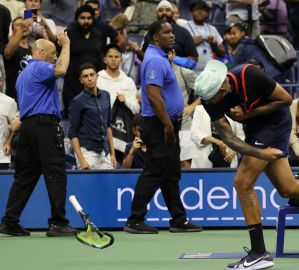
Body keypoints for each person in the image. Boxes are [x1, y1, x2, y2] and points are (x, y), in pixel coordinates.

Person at [194, 59, 299, 270]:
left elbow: (286, 99)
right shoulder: (207, 98)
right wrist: (260, 152)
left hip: (275, 122)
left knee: (242, 183)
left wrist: (248, 115)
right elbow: (229, 139)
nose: (211, 104)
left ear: (223, 87)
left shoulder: (249, 75)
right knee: (288, 188)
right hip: (255, 129)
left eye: (214, 98)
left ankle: (259, 253)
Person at [124, 20, 202, 234]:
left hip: (166, 124)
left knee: (170, 174)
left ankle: (179, 219)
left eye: (172, 31)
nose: (172, 35)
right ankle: (135, 219)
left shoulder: (158, 57)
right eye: (167, 32)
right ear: (156, 37)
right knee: (154, 172)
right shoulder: (155, 61)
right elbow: (153, 96)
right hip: (160, 125)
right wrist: (168, 124)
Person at [0, 34, 77, 237]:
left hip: (27, 129)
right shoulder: (40, 67)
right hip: (44, 127)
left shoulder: (22, 76)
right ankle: (58, 223)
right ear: (41, 53)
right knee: (56, 173)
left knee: (24, 177)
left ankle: (9, 221)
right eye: (52, 54)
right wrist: (67, 45)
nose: (54, 57)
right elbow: (61, 69)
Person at [69, 63, 116, 170]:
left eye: (92, 75)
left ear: (97, 76)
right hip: (87, 153)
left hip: (105, 152)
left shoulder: (106, 95)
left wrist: (112, 154)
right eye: (85, 76)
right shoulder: (77, 101)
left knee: (108, 185)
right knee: (87, 186)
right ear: (81, 80)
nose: (89, 79)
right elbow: (73, 134)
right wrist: (81, 160)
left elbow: (108, 126)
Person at [182, 0, 225, 73]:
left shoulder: (212, 29)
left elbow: (222, 53)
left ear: (208, 13)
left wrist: (214, 45)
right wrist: (192, 43)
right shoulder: (185, 27)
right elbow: (178, 51)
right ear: (191, 12)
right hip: (190, 71)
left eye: (203, 10)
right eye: (196, 9)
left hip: (209, 72)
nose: (200, 12)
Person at [2, 17, 33, 100]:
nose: (23, 26)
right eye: (18, 25)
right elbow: (8, 53)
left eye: (24, 24)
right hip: (14, 96)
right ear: (12, 30)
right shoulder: (7, 47)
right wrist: (22, 29)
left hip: (31, 96)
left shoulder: (34, 50)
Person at [0, 71, 17, 170]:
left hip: (1, 157)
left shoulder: (10, 102)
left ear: (1, 82)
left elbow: (15, 127)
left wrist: (9, 142)